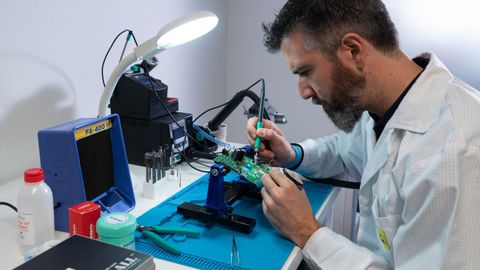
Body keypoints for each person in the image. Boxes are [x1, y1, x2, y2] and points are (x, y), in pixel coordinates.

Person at [246, 0, 480, 269]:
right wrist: (292, 154)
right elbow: (345, 152)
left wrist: (308, 232)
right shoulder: (383, 106)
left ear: (353, 50)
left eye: (306, 72)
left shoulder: (456, 151)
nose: (304, 92)